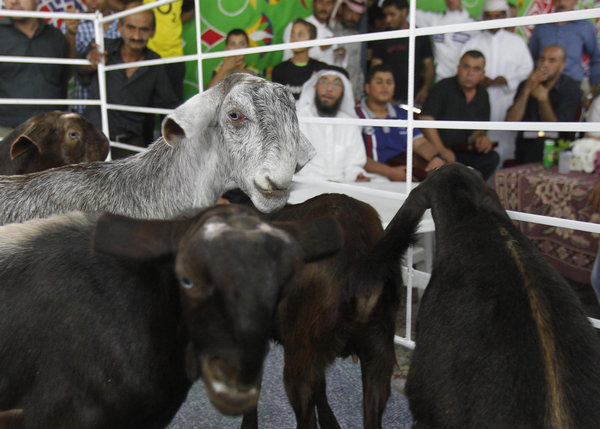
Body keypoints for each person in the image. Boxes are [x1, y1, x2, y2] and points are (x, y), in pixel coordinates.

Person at [79, 2, 179, 158]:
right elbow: (78, 73)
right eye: (131, 28)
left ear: (153, 32)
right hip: (93, 141)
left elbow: (168, 105)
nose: (136, 36)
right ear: (120, 27)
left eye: (144, 30)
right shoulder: (102, 49)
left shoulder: (155, 62)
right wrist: (89, 62)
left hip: (131, 145)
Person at [459, 0, 533, 165]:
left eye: (498, 16)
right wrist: (477, 80)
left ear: (505, 16)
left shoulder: (517, 42)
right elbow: (462, 72)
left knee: (506, 146)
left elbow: (527, 71)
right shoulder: (472, 43)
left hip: (508, 101)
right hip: (477, 102)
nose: (494, 20)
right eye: (489, 16)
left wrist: (505, 80)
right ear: (483, 17)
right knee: (479, 147)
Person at [355, 64, 446, 181]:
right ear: (367, 87)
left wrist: (436, 157)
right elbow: (356, 156)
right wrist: (391, 173)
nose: (385, 86)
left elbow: (420, 143)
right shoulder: (355, 116)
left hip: (406, 175)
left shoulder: (403, 114)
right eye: (379, 82)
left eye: (389, 82)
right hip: (372, 177)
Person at [419, 50, 500, 181]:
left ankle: (468, 195)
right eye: (466, 67)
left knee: (492, 157)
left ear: (482, 74)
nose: (470, 73)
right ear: (458, 69)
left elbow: (480, 127)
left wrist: (481, 138)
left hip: (463, 150)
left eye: (476, 69)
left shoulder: (483, 94)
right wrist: (442, 150)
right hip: (437, 149)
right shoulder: (444, 87)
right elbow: (426, 119)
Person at [0, 0, 71, 137]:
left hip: (52, 134)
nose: (14, 1)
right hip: (6, 132)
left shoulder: (56, 37)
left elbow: (64, 79)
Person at [505, 45, 581, 164]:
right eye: (542, 59)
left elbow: (558, 129)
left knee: (542, 144)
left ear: (562, 66)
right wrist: (526, 91)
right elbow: (510, 122)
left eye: (552, 61)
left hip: (557, 148)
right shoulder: (526, 84)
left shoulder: (571, 88)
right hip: (526, 147)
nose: (544, 65)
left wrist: (543, 100)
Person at [295, 69, 369, 182]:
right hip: (305, 186)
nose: (329, 88)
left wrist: (357, 175)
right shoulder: (299, 118)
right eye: (324, 82)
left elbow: (354, 164)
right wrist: (325, 182)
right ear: (314, 86)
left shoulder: (349, 123)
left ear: (344, 91)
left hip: (344, 187)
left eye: (336, 83)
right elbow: (295, 165)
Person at [528, 0, 600, 106]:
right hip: (542, 86)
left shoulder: (584, 27)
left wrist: (590, 94)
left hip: (573, 88)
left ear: (575, 1)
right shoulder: (541, 26)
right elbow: (530, 60)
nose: (561, 2)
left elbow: (596, 60)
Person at [65, 0, 125, 114]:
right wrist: (71, 33)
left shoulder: (123, 22)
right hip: (83, 104)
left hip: (117, 108)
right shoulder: (74, 22)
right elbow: (68, 66)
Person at [370, 0, 434, 106]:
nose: (388, 19)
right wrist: (383, 94)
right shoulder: (381, 37)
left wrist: (425, 89)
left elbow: (429, 66)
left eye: (392, 14)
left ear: (404, 12)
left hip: (415, 99)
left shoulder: (419, 35)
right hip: (387, 100)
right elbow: (376, 67)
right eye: (386, 15)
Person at [272, 19, 348, 100]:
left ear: (312, 40)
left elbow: (343, 75)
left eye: (300, 35)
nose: (295, 39)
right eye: (292, 34)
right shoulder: (279, 70)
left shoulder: (320, 69)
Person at [143, 0, 194, 102]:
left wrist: (174, 23)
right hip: (146, 56)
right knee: (144, 105)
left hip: (174, 56)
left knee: (173, 106)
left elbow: (190, 10)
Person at [414, 0, 475, 83]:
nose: (450, 0)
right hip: (441, 80)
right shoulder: (435, 21)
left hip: (463, 82)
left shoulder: (473, 25)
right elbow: (408, 14)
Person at [330, 0, 367, 102]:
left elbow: (358, 70)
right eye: (350, 12)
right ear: (341, 9)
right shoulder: (327, 32)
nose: (353, 18)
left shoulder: (358, 38)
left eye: (358, 15)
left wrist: (358, 96)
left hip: (350, 97)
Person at [281, 0, 337, 65]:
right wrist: (320, 48)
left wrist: (340, 59)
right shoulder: (296, 26)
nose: (324, 7)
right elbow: (288, 56)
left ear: (334, 6)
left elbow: (330, 66)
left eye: (329, 3)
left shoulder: (331, 34)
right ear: (313, 4)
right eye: (320, 2)